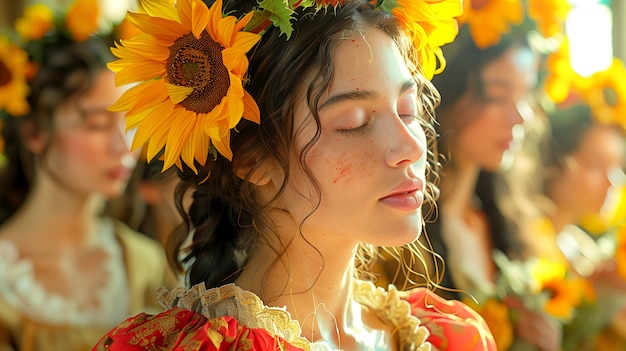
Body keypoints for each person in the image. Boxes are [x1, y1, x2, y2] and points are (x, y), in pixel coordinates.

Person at [92, 0, 497, 349]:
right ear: (252, 159)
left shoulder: (446, 338)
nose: (410, 147)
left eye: (408, 111)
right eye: (353, 123)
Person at [0, 1, 176, 350]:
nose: (123, 145)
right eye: (96, 124)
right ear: (35, 132)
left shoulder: (144, 263)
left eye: (131, 124)